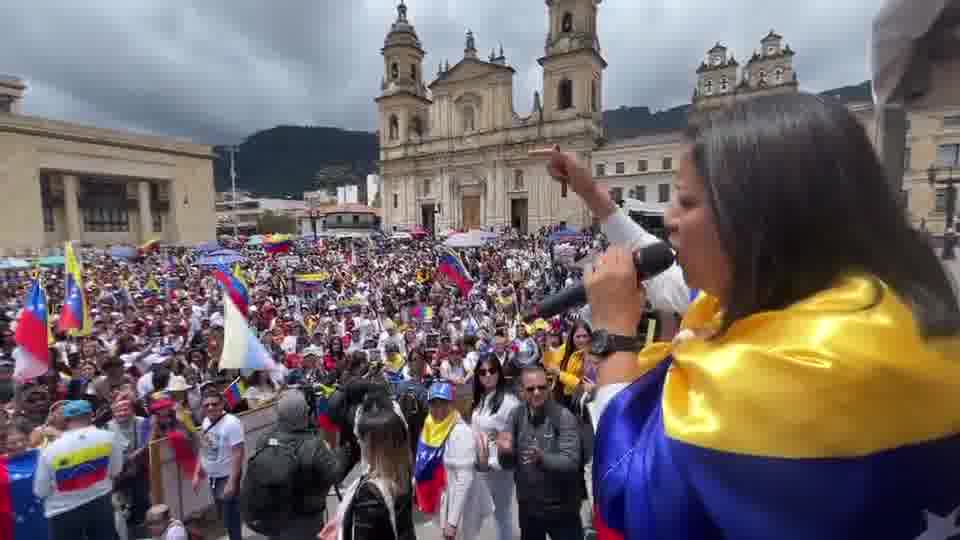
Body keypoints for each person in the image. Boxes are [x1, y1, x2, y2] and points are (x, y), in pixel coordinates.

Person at [547, 93, 960, 539]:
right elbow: (681, 282)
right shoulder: (864, 307)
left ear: (757, 215)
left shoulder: (799, 371)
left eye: (685, 201)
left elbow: (632, 497)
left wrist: (616, 338)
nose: (667, 219)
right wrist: (592, 194)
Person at [244, 390, 353, 540]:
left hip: (275, 516)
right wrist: (343, 453)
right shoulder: (314, 445)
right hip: (307, 519)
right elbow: (335, 475)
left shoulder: (265, 438)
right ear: (304, 413)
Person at [497, 367, 584, 540]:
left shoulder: (563, 416)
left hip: (562, 508)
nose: (537, 392)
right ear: (521, 391)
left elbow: (571, 461)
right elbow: (508, 464)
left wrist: (542, 458)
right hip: (529, 508)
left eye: (542, 387)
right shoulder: (516, 414)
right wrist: (504, 452)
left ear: (549, 386)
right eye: (530, 389)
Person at [320, 390, 416, 540]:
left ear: (377, 446)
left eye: (362, 438)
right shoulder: (402, 476)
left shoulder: (371, 491)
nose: (358, 442)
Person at [33, 399, 124, 540]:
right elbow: (116, 470)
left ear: (66, 419)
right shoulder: (109, 437)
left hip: (63, 511)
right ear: (90, 415)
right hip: (101, 502)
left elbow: (40, 490)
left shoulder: (50, 450)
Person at [417, 380, 492, 540]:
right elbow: (425, 459)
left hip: (463, 504)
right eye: (434, 404)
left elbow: (464, 479)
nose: (438, 409)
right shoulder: (431, 426)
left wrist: (452, 521)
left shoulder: (460, 432)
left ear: (452, 404)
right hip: (444, 494)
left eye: (443, 403)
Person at [470, 355, 522, 540]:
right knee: (476, 514)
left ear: (499, 373)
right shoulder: (481, 398)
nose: (487, 375)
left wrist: (493, 462)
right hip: (479, 466)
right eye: (482, 372)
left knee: (502, 514)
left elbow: (516, 439)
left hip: (499, 468)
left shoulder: (509, 402)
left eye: (492, 371)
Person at [193, 388, 245, 540]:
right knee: (223, 513)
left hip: (226, 475)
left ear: (222, 404)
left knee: (231, 515)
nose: (210, 408)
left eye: (214, 404)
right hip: (213, 477)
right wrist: (197, 472)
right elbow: (204, 447)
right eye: (206, 405)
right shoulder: (205, 422)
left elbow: (238, 453)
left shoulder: (232, 423)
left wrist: (231, 481)